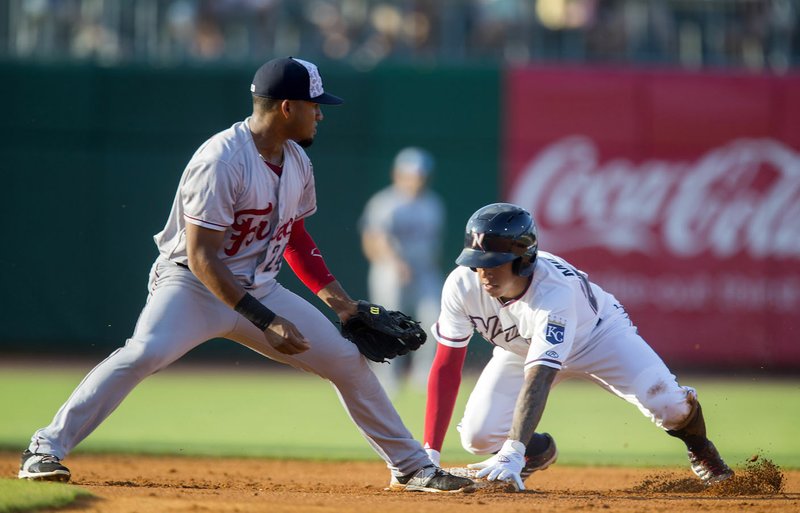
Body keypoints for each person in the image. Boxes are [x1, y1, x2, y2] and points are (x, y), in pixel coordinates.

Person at [18, 56, 473, 494]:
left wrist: (342, 304)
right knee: (143, 353)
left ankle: (412, 467)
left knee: (348, 363)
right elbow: (202, 257)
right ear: (286, 107)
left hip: (261, 288)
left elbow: (294, 235)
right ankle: (45, 448)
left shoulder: (296, 160)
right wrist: (264, 319)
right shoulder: (221, 159)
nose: (321, 114)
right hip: (191, 287)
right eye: (315, 105)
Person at [422, 202, 734, 490]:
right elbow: (447, 366)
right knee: (478, 436)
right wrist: (429, 457)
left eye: (495, 263)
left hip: (598, 337)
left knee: (669, 405)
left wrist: (511, 451)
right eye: (476, 263)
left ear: (523, 259)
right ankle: (538, 452)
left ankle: (700, 447)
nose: (483, 273)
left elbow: (540, 376)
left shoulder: (553, 292)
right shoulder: (462, 285)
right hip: (521, 348)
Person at [359, 147, 445, 396]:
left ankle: (424, 375)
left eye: (420, 174)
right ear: (398, 174)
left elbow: (434, 245)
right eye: (411, 173)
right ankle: (387, 376)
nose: (416, 179)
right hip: (390, 271)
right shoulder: (385, 202)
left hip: (424, 270)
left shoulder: (433, 203)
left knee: (435, 318)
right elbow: (372, 239)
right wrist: (394, 263)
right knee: (386, 322)